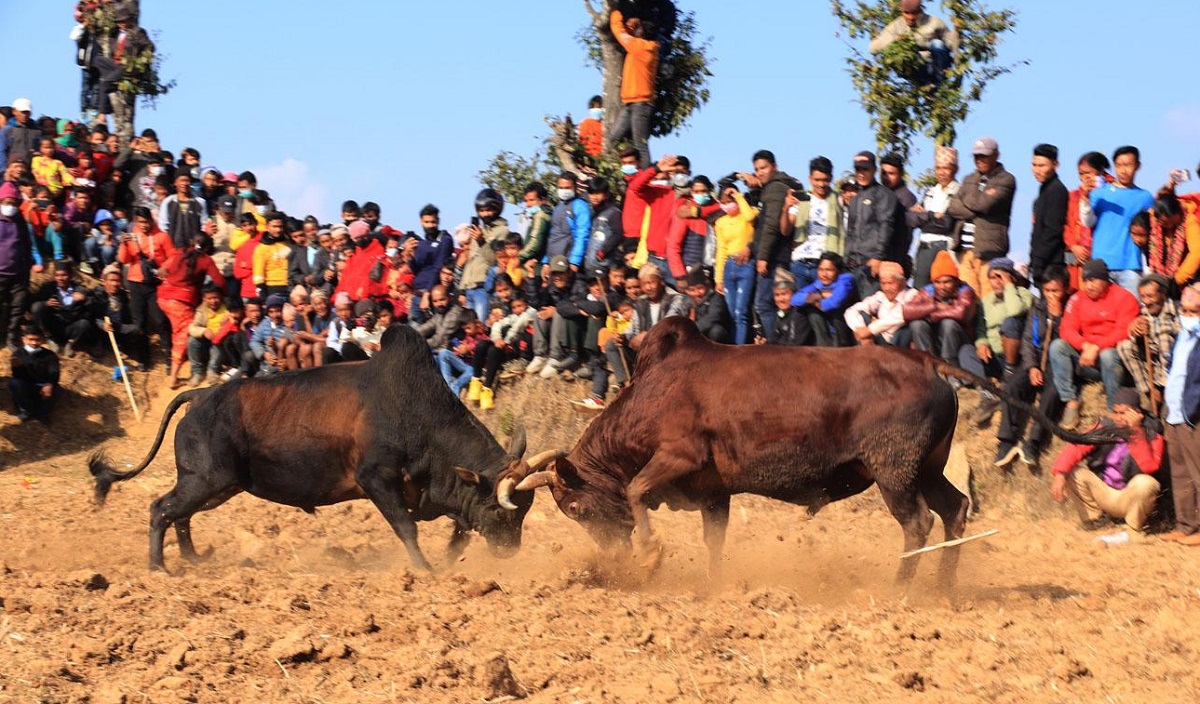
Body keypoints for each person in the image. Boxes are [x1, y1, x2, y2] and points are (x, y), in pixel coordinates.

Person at [1049, 387, 1163, 544]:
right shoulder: (1105, 427)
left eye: (1123, 413)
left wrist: (1135, 431)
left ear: (1136, 413)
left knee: (1146, 483)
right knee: (1072, 472)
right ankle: (1095, 520)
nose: (1118, 418)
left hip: (1129, 497)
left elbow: (1149, 467)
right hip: (1105, 493)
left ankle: (1133, 528)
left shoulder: (1152, 434)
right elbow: (1075, 448)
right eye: (1115, 412)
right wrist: (1060, 474)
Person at [995, 265, 1071, 471]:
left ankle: (1034, 442)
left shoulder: (1072, 307)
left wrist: (1057, 318)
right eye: (1047, 290)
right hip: (1036, 360)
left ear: (1065, 289)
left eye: (1055, 291)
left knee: (1052, 393)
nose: (1050, 295)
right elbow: (1028, 339)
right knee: (1012, 386)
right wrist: (1032, 367)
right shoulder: (1037, 307)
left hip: (1059, 362)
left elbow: (1070, 339)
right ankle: (1006, 441)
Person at [1051, 259, 1141, 427]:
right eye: (1085, 281)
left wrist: (1098, 347)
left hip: (1112, 361)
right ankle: (1070, 401)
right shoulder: (1077, 299)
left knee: (1108, 355)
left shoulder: (1124, 297)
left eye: (1093, 280)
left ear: (1105, 279)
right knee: (1057, 346)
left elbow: (1124, 331)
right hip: (1085, 359)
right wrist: (1085, 346)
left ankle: (1113, 409)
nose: (1088, 285)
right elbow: (1067, 328)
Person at [961, 257, 1032, 426]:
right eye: (993, 278)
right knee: (965, 351)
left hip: (1015, 358)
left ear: (1011, 277)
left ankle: (1008, 375)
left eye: (1000, 277)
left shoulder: (1023, 294)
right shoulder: (986, 301)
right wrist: (982, 343)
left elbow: (1015, 310)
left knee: (1010, 323)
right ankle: (988, 394)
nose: (996, 281)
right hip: (993, 357)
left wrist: (1009, 287)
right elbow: (981, 330)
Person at [1080, 146, 1155, 295]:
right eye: (1118, 165)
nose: (1123, 170)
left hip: (1131, 265)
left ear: (1137, 166)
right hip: (1101, 265)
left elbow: (1153, 231)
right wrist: (1085, 198)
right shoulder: (1099, 194)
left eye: (1128, 165)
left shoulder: (1145, 197)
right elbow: (1088, 222)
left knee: (1132, 306)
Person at [947, 137, 1016, 295]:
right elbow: (953, 206)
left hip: (989, 250)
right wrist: (977, 205)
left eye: (984, 156)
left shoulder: (1006, 179)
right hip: (964, 251)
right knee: (967, 298)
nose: (979, 160)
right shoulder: (969, 179)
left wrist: (968, 201)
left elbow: (984, 205)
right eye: (976, 156)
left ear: (996, 155)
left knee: (988, 297)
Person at [744, 150, 800, 338]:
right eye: (757, 169)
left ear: (774, 167)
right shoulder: (773, 187)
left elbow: (771, 225)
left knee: (764, 304)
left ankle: (776, 345)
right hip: (775, 256)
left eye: (764, 168)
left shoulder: (775, 188)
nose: (760, 172)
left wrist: (763, 257)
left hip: (774, 257)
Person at [158, 234, 226, 388]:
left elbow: (162, 270)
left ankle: (185, 370)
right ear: (207, 248)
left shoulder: (180, 252)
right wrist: (224, 297)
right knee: (181, 339)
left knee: (177, 334)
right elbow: (220, 282)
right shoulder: (205, 260)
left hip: (163, 296)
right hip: (180, 302)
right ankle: (173, 378)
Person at [1160, 283, 1200, 545]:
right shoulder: (1182, 337)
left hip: (1193, 415)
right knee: (1180, 473)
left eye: (1194, 312)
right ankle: (1185, 525)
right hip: (1174, 412)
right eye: (1184, 311)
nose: (1187, 316)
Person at [844, 151, 903, 299]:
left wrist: (878, 257)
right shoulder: (855, 198)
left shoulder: (884, 194)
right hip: (852, 266)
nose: (861, 173)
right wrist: (846, 258)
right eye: (858, 169)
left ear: (874, 170)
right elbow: (850, 232)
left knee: (869, 308)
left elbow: (886, 226)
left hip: (872, 265)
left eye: (865, 169)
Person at [1115, 274, 1179, 410]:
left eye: (1150, 296)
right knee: (1124, 346)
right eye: (1143, 297)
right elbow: (1133, 334)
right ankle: (1150, 391)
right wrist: (1135, 329)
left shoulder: (1177, 310)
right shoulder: (1143, 312)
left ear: (1163, 294)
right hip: (1152, 361)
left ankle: (1164, 389)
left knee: (1164, 338)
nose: (1146, 301)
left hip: (1173, 362)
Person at [782, 156, 844, 290]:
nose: (821, 184)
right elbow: (785, 230)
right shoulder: (802, 199)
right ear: (810, 179)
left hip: (825, 265)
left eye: (825, 180)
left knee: (825, 301)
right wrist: (786, 208)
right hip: (800, 261)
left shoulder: (838, 199)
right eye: (817, 180)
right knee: (800, 302)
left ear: (831, 178)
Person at [608, 8, 660, 167]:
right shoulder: (645, 46)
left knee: (640, 144)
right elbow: (628, 36)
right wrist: (631, 26)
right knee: (613, 139)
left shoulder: (640, 47)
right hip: (632, 101)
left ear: (642, 32)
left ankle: (645, 175)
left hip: (641, 103)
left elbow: (619, 32)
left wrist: (615, 13)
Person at [905, 250, 977, 363]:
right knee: (917, 325)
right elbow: (907, 311)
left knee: (948, 323)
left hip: (960, 342)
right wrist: (935, 306)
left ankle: (949, 364)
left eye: (947, 282)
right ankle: (929, 363)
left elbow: (960, 312)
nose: (942, 287)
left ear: (955, 280)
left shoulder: (965, 291)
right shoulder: (927, 291)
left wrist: (932, 316)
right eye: (937, 282)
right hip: (935, 340)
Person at [868, 0, 959, 85]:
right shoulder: (896, 26)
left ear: (920, 11)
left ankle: (939, 84)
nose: (910, 17)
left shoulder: (934, 22)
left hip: (937, 65)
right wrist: (894, 39)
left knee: (937, 44)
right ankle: (927, 86)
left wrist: (957, 31)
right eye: (907, 13)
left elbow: (950, 44)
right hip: (917, 69)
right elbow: (873, 48)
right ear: (902, 12)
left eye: (914, 13)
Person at [470, 293, 536, 411]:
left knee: (493, 350)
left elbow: (517, 327)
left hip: (519, 351)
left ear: (526, 304)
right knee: (481, 345)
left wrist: (505, 341)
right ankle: (476, 380)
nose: (517, 310)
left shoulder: (530, 313)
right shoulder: (512, 317)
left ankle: (487, 389)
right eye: (514, 307)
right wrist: (497, 339)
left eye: (519, 306)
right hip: (507, 346)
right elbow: (497, 325)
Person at [713, 181, 758, 344]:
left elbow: (751, 216)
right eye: (723, 202)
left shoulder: (748, 213)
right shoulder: (720, 222)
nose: (727, 205)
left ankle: (740, 348)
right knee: (732, 313)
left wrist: (738, 196)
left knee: (741, 311)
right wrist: (718, 278)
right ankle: (734, 345)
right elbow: (721, 249)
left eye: (729, 201)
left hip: (746, 265)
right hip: (729, 266)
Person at [460, 189, 509, 320]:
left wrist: (482, 241)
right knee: (470, 327)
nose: (485, 214)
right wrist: (462, 289)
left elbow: (495, 261)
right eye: (481, 211)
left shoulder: (502, 231)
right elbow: (471, 261)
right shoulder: (479, 230)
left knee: (482, 324)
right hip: (469, 288)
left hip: (483, 288)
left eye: (488, 210)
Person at [30, 260, 96, 357]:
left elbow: (94, 305)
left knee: (84, 323)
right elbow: (33, 304)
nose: (60, 278)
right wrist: (45, 303)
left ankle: (70, 344)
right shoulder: (48, 288)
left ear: (70, 276)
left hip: (71, 328)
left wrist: (84, 299)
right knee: (37, 307)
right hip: (53, 326)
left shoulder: (79, 289)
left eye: (64, 275)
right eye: (57, 275)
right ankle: (49, 339)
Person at [845, 261, 919, 346]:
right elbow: (851, 311)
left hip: (900, 343)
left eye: (891, 283)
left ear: (903, 282)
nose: (887, 288)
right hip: (881, 341)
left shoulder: (912, 294)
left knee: (906, 327)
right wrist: (859, 328)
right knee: (863, 314)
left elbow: (900, 316)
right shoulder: (880, 296)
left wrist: (870, 330)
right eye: (883, 283)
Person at [1064, 152, 1109, 290]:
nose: (1085, 177)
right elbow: (1064, 225)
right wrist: (1073, 246)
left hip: (1103, 257)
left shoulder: (1111, 194)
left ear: (1100, 172)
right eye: (1081, 173)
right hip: (1077, 260)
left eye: (1088, 173)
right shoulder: (1072, 197)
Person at [793, 252, 858, 347]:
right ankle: (806, 346)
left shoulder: (846, 280)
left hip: (844, 328)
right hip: (827, 327)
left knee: (835, 313)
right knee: (808, 312)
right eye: (821, 270)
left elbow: (833, 303)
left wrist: (812, 300)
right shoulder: (819, 283)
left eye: (829, 270)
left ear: (839, 270)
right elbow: (794, 300)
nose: (824, 274)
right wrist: (820, 295)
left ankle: (839, 348)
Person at [0, 180, 35, 348]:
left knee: (18, 307)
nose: (10, 206)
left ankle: (12, 337)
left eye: (13, 203)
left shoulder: (20, 222)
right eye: (7, 202)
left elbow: (27, 244)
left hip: (18, 273)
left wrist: (27, 265)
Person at [1029, 144, 1069, 284]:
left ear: (1055, 165)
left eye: (1042, 166)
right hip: (1043, 263)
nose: (1036, 170)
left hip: (1052, 265)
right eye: (1034, 165)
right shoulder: (1045, 190)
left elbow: (1053, 230)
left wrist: (1039, 261)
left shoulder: (1057, 190)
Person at [665, 175, 718, 282]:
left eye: (703, 191)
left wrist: (696, 212)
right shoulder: (684, 211)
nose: (700, 194)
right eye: (696, 192)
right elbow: (673, 246)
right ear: (691, 192)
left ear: (710, 191)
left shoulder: (719, 210)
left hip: (714, 270)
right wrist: (680, 275)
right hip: (690, 269)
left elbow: (720, 208)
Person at [9, 325, 60, 424]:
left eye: (37, 340)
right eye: (31, 339)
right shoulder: (18, 354)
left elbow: (55, 373)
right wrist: (17, 367)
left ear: (42, 340)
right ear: (24, 339)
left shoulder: (50, 355)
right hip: (26, 386)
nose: (34, 343)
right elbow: (18, 377)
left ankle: (42, 414)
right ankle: (28, 410)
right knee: (15, 383)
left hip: (43, 387)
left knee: (57, 389)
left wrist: (49, 384)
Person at [546, 172, 592, 272]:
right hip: (553, 261)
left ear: (575, 187)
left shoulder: (580, 206)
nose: (564, 191)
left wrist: (575, 261)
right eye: (561, 188)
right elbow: (553, 235)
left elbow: (582, 234)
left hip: (567, 262)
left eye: (567, 188)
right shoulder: (558, 207)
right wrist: (546, 262)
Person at [186, 284, 229, 385]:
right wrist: (204, 331)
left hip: (221, 342)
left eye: (216, 297)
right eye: (209, 298)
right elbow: (192, 328)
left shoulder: (227, 308)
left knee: (217, 344)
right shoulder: (202, 310)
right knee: (192, 341)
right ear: (204, 299)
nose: (213, 301)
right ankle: (197, 372)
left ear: (221, 296)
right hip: (206, 342)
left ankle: (212, 371)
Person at [762, 269, 813, 346]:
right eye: (777, 295)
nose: (780, 299)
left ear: (794, 294)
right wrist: (764, 344)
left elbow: (794, 345)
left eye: (784, 294)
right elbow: (775, 339)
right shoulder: (781, 312)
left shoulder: (799, 313)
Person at [584, 178, 624, 274]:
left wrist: (602, 252)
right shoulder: (590, 212)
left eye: (598, 193)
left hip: (603, 265)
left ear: (605, 195)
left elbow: (617, 235)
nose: (594, 197)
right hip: (589, 264)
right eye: (591, 193)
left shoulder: (613, 212)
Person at [411, 204, 454, 293]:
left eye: (433, 222)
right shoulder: (421, 244)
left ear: (438, 221)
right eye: (426, 222)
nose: (430, 225)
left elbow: (438, 267)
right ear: (421, 222)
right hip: (417, 290)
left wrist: (428, 292)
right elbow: (416, 270)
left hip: (433, 291)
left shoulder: (444, 239)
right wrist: (408, 256)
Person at [683, 267, 732, 343]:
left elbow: (713, 317)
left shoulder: (715, 298)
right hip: (693, 334)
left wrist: (693, 330)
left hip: (709, 333)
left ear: (706, 286)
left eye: (700, 288)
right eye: (692, 290)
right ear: (687, 291)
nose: (697, 293)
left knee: (716, 331)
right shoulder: (686, 301)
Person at [158, 172, 206, 250]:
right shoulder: (168, 201)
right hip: (173, 248)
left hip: (194, 249)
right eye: (182, 180)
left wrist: (200, 242)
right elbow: (163, 226)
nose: (184, 183)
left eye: (187, 181)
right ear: (175, 182)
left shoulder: (200, 202)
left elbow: (204, 225)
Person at [252, 211, 293, 301]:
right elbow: (258, 273)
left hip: (291, 286)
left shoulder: (290, 244)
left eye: (280, 226)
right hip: (272, 288)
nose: (278, 230)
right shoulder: (261, 248)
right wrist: (262, 294)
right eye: (274, 226)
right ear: (267, 227)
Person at [413, 284, 467, 351]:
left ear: (450, 297)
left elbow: (438, 340)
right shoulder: (440, 313)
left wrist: (417, 343)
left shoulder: (454, 314)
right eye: (435, 301)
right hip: (438, 349)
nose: (439, 304)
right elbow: (426, 327)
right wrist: (409, 334)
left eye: (442, 299)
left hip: (448, 352)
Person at [251, 294, 295, 373]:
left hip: (282, 368)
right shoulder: (265, 323)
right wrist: (264, 354)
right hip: (265, 367)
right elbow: (254, 341)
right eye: (271, 312)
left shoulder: (289, 325)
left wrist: (287, 362)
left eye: (278, 311)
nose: (275, 315)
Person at [0, 98, 42, 173]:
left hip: (31, 171)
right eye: (22, 112)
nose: (25, 115)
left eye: (27, 112)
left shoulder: (37, 131)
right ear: (14, 111)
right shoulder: (7, 130)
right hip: (12, 170)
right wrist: (3, 170)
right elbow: (2, 151)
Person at [518, 183, 551, 266]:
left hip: (537, 264)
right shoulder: (532, 217)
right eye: (526, 201)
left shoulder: (540, 215)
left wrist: (518, 257)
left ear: (543, 200)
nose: (528, 204)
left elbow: (535, 243)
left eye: (532, 200)